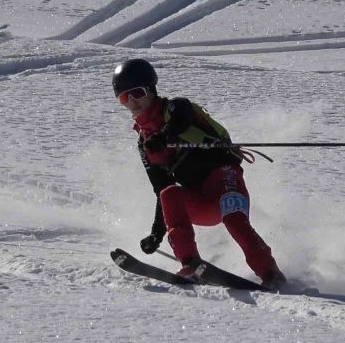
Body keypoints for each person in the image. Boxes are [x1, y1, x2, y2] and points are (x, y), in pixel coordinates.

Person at [113, 58, 287, 290]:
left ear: (152, 90)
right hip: (199, 201)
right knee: (169, 193)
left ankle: (270, 273)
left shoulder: (176, 107)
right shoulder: (145, 143)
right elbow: (163, 192)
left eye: (137, 92)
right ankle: (190, 264)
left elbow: (181, 121)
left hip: (223, 178)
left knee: (234, 218)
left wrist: (163, 137)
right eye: (125, 97)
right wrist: (157, 233)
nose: (132, 101)